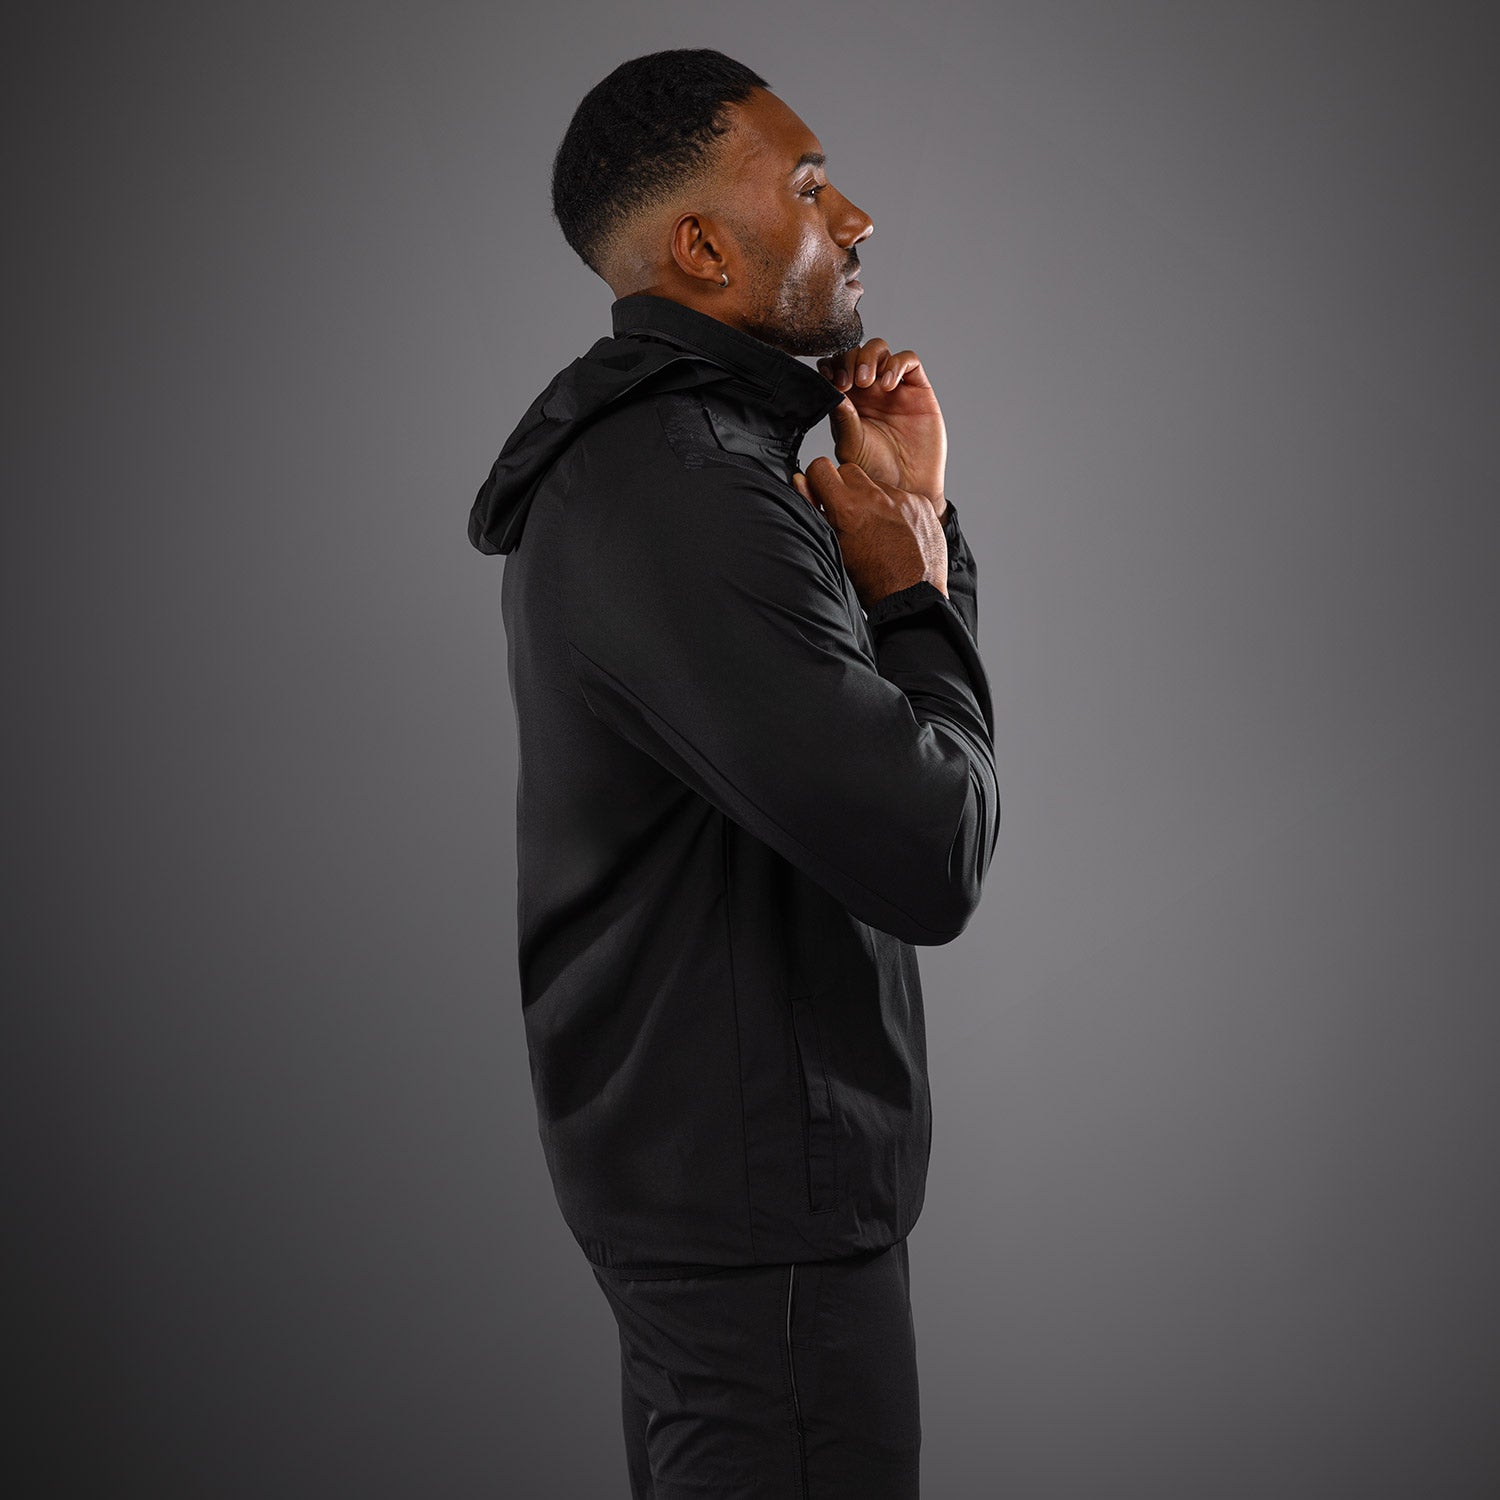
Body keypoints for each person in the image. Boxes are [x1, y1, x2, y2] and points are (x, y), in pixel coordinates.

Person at [467, 47, 1000, 1500]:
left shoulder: (684, 465)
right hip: (765, 1228)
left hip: (731, 1206)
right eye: (813, 187)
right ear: (702, 247)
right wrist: (912, 589)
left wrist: (918, 523)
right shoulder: (692, 488)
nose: (858, 219)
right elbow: (935, 849)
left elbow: (854, 758)